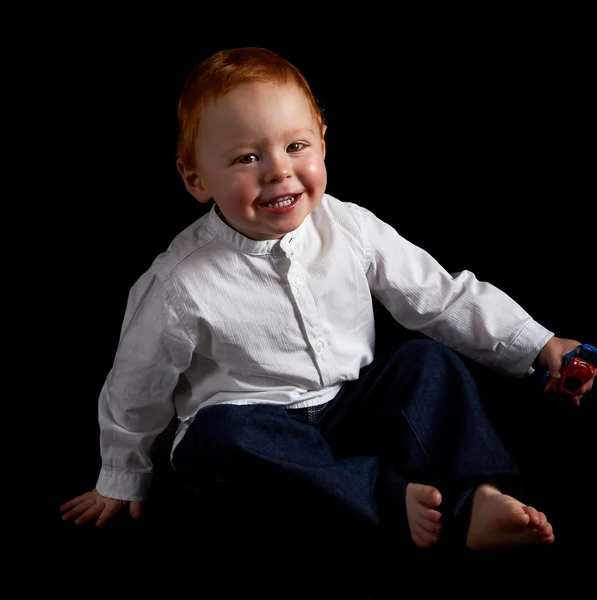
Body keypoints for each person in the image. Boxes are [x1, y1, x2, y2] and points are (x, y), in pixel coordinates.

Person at [60, 46, 594, 552]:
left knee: (425, 361)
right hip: (258, 425)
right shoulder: (180, 283)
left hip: (351, 403)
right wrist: (121, 476)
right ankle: (382, 494)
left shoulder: (348, 226)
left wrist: (535, 344)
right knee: (215, 438)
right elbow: (137, 385)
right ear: (195, 178)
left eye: (295, 146)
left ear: (322, 140)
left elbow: (442, 297)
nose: (277, 171)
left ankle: (479, 496)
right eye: (247, 157)